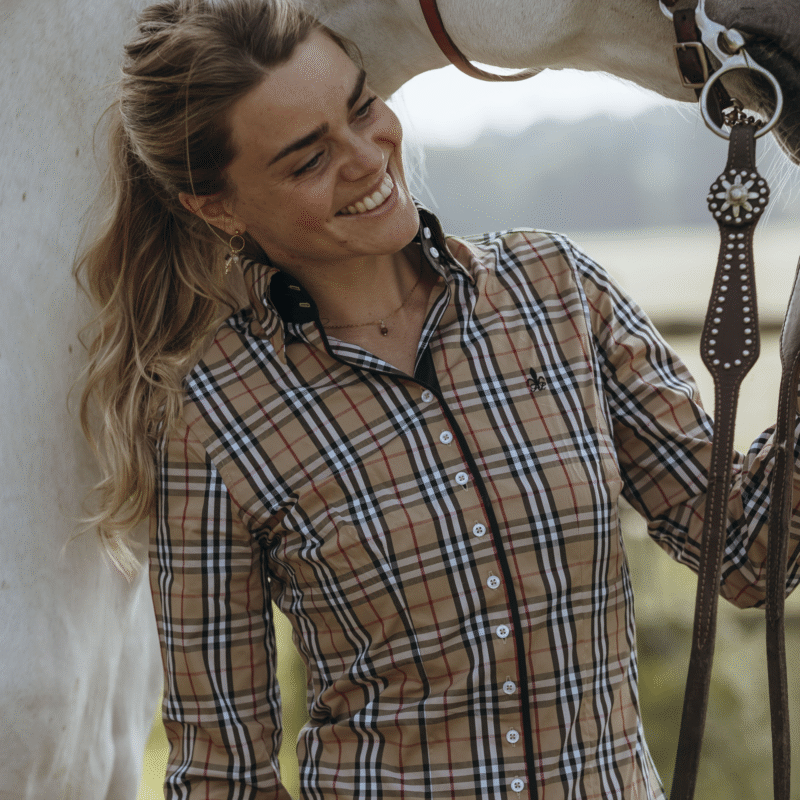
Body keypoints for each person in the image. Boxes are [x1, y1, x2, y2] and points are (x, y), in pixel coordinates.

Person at [76, 0, 800, 798]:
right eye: (308, 159)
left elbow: (750, 554)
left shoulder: (557, 292)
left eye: (362, 108)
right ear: (217, 205)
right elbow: (223, 775)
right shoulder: (213, 417)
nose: (366, 159)